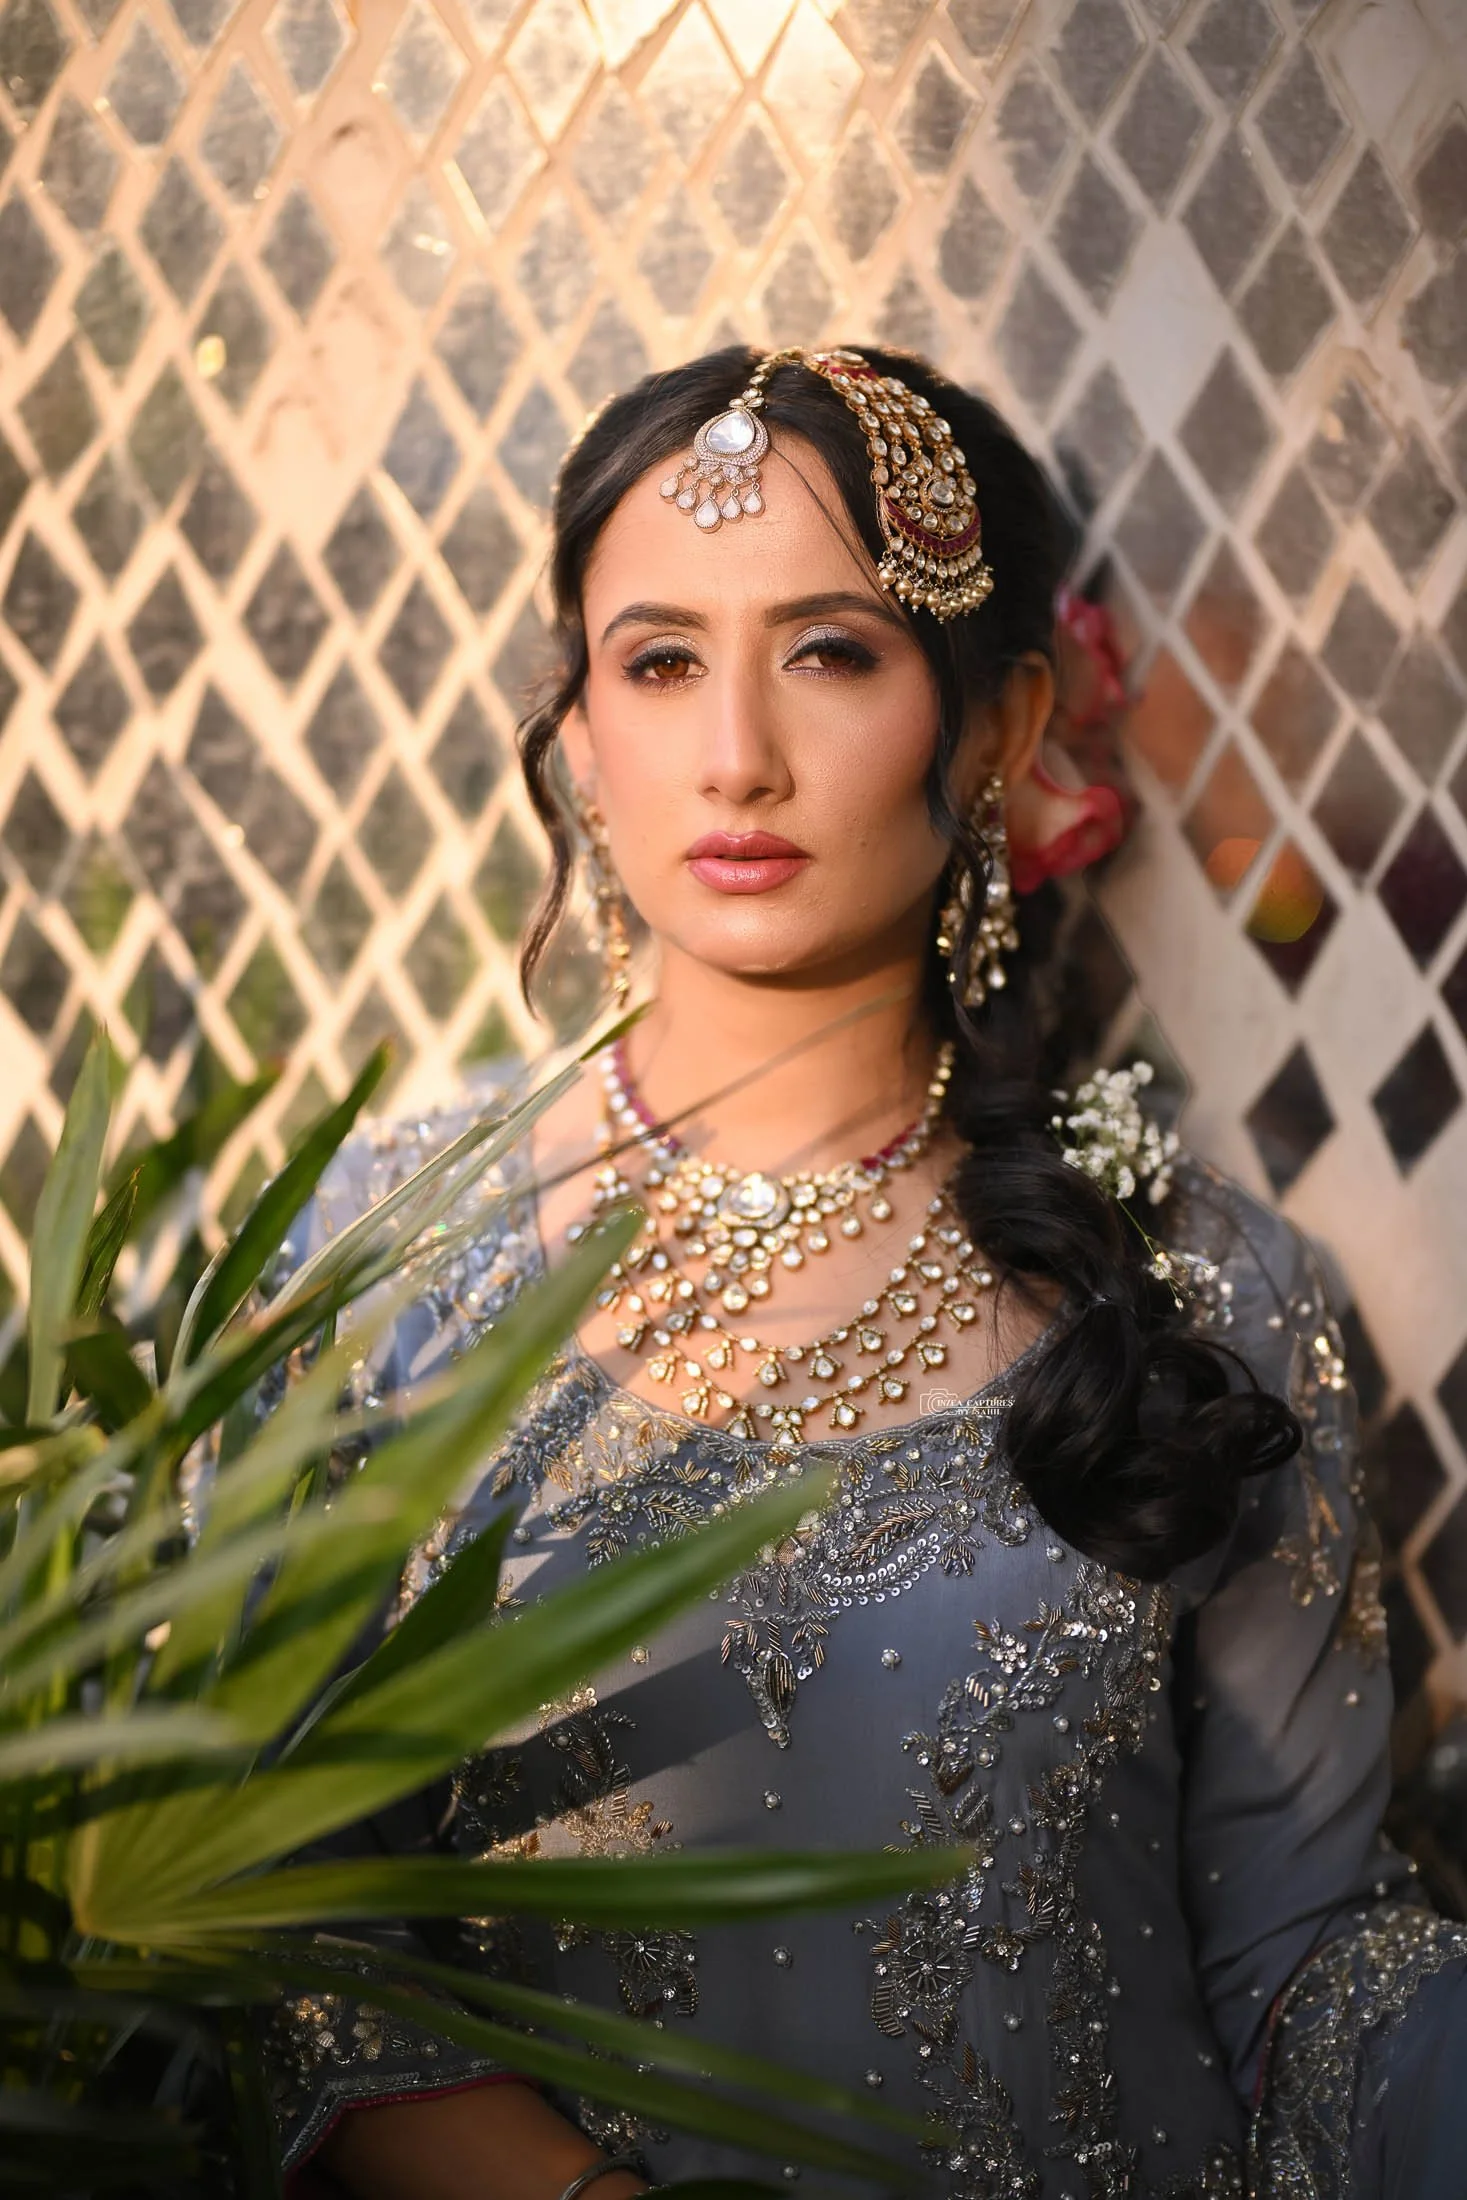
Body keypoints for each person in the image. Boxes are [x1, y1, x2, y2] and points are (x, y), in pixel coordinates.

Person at [267, 345, 1466, 2200]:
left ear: (993, 726)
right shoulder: (381, 1274)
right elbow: (293, 1944)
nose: (736, 752)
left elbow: (1306, 1953)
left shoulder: (1202, 1294)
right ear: (578, 733)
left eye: (830, 651)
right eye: (659, 663)